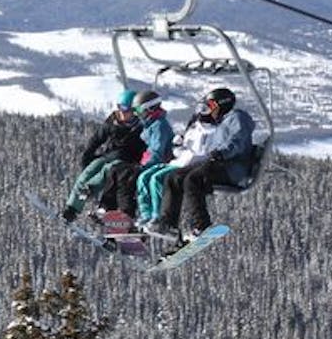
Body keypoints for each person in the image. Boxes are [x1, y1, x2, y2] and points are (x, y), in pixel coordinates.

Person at [147, 86, 254, 241]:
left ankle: (201, 225)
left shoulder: (237, 118)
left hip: (232, 168)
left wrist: (222, 153)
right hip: (217, 163)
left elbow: (237, 141)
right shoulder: (221, 122)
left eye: (211, 106)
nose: (208, 111)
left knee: (193, 179)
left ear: (222, 105)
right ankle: (168, 223)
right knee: (174, 177)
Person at [59, 90, 146, 223]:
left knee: (108, 171)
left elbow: (147, 147)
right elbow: (97, 139)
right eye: (120, 108)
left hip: (126, 160)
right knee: (88, 172)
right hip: (108, 155)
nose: (122, 113)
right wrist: (87, 156)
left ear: (135, 111)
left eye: (126, 110)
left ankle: (91, 189)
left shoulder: (140, 128)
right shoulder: (113, 122)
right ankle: (72, 209)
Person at [104, 90, 174, 220]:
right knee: (116, 169)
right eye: (135, 111)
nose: (137, 114)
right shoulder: (149, 125)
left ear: (150, 109)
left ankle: (129, 215)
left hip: (158, 163)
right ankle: (107, 208)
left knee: (130, 177)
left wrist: (144, 166)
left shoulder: (159, 126)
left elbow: (157, 151)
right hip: (145, 162)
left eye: (139, 111)